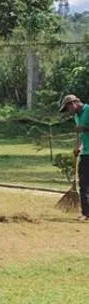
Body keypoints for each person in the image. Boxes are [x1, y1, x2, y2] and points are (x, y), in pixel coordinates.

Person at [60, 93, 89, 221]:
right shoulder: (76, 116)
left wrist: (84, 128)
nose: (68, 112)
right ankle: (86, 213)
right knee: (84, 184)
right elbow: (81, 135)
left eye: (68, 109)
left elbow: (83, 130)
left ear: (73, 104)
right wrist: (77, 147)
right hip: (86, 152)